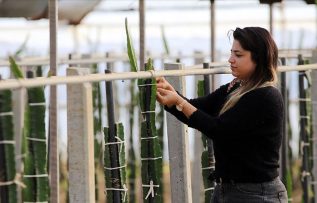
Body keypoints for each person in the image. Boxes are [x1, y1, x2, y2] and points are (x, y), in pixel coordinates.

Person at [156, 27, 288, 203]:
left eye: (238, 55)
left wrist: (179, 102)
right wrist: (172, 97)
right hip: (227, 190)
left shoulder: (266, 97)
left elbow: (219, 130)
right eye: (231, 53)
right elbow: (198, 108)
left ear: (259, 58)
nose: (231, 59)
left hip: (257, 194)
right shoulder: (235, 88)